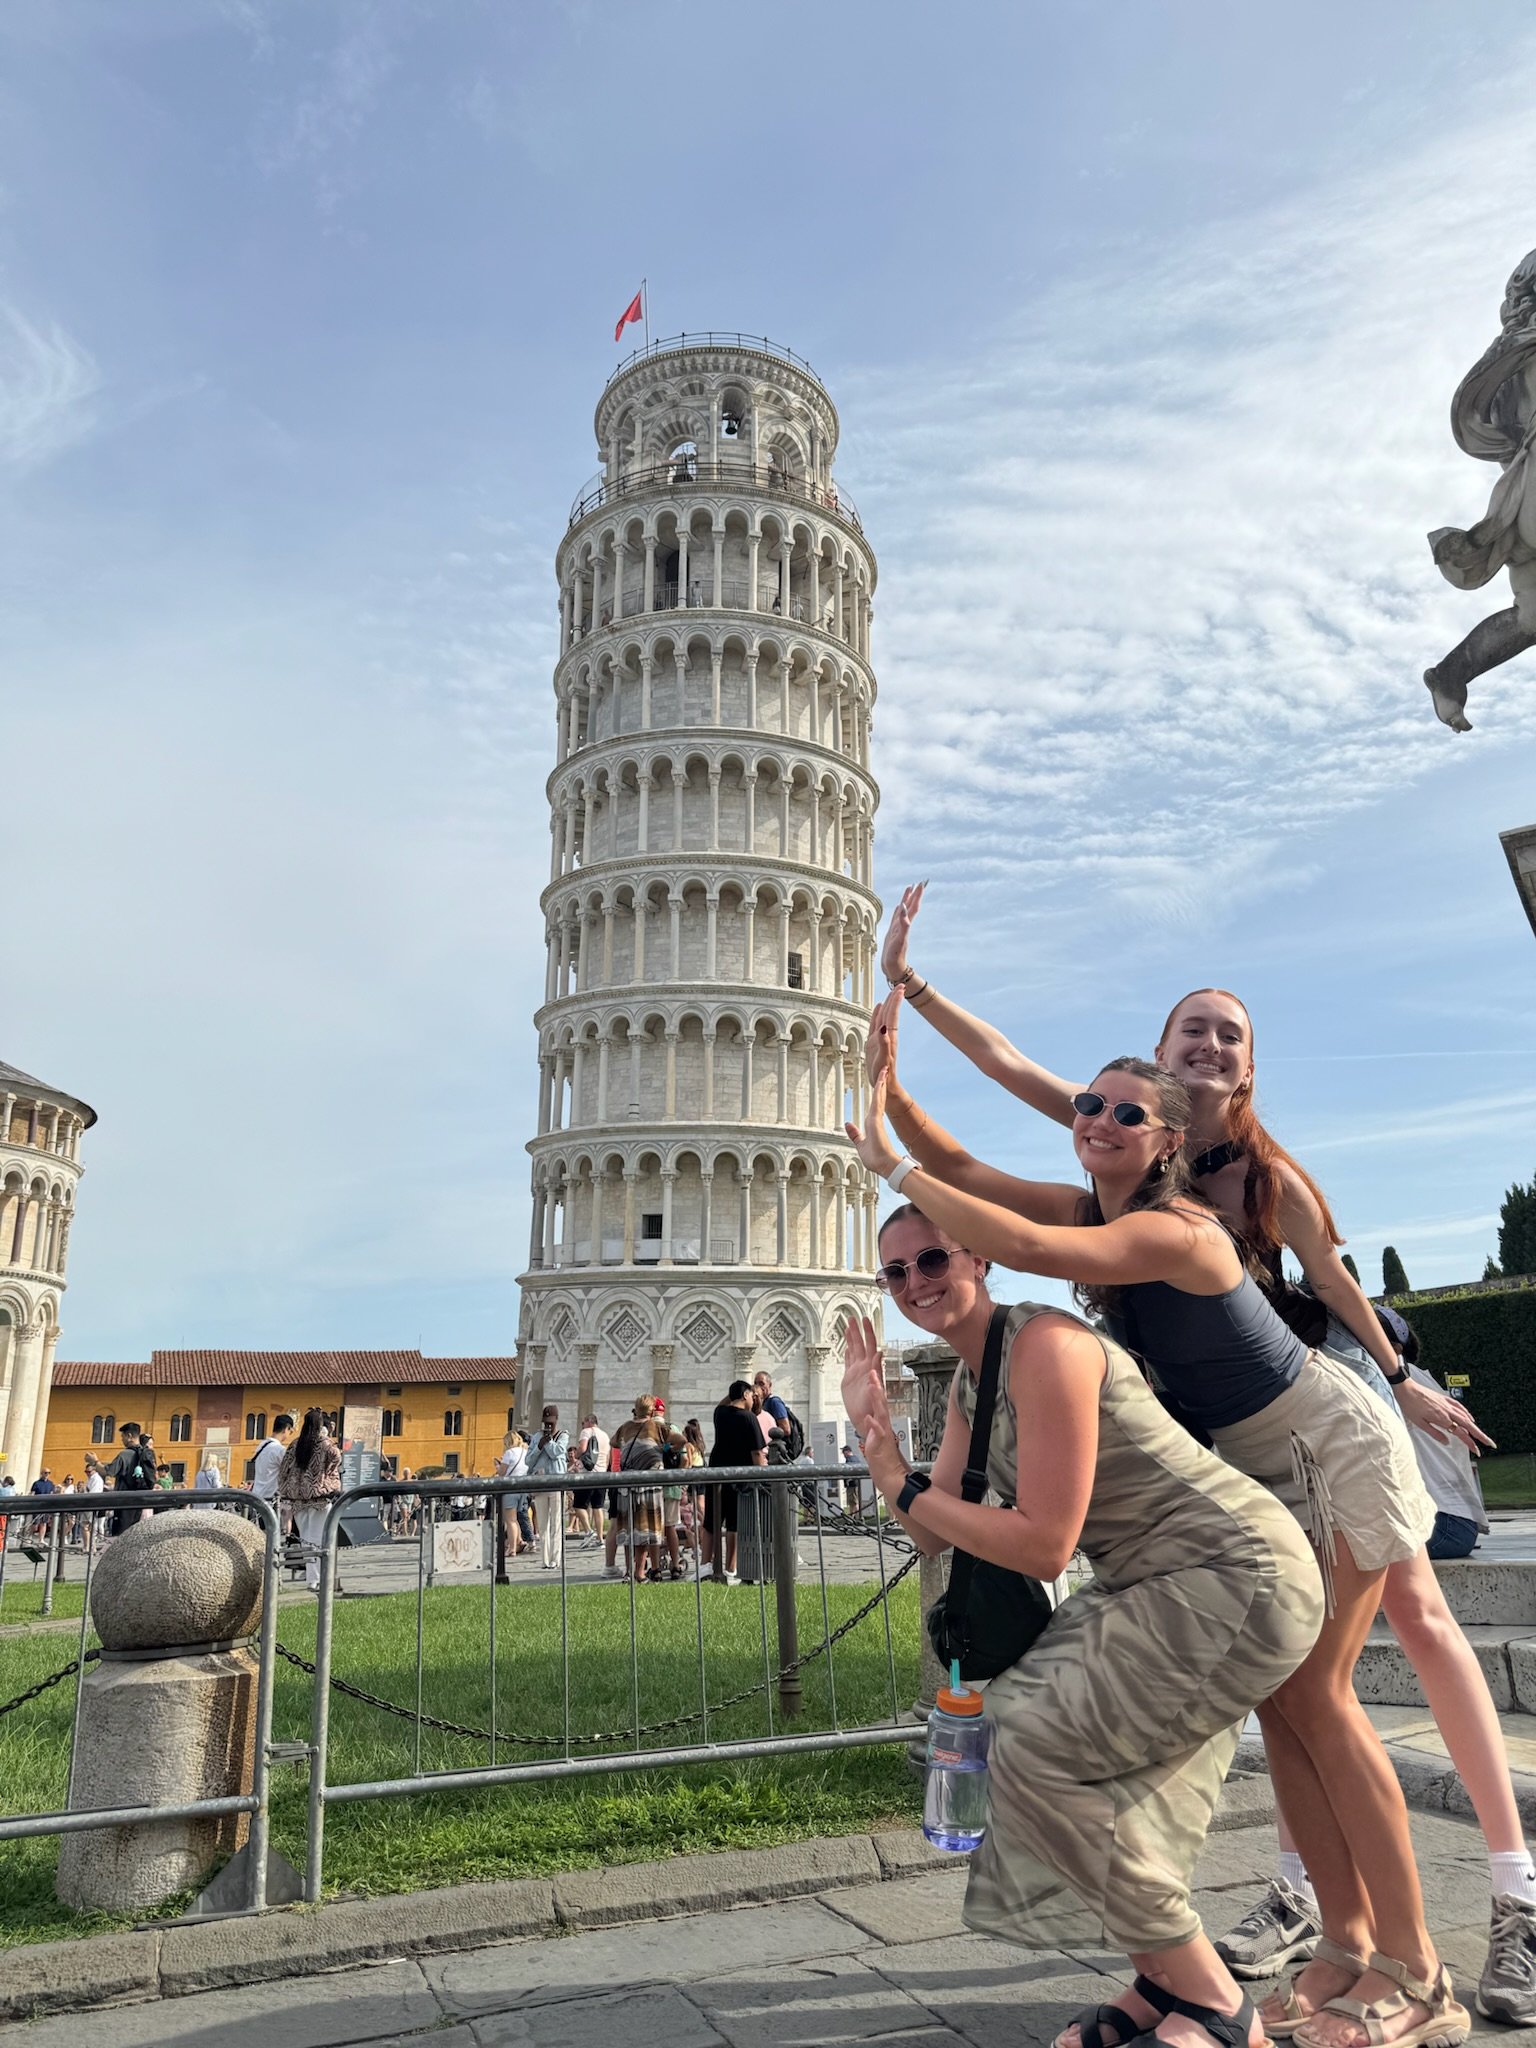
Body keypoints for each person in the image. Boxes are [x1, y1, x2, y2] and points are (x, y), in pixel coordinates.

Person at [877, 895, 1530, 2025]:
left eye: (1124, 1106)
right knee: (1290, 1709)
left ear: (1168, 1125)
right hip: (1259, 1459)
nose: (1095, 1114)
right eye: (1089, 1102)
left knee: (1325, 1700)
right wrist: (892, 1080)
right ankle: (1346, 1938)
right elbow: (977, 1162)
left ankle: (1420, 1974)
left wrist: (878, 1156)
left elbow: (1021, 1239)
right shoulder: (1107, 1186)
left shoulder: (1185, 1222)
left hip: (1325, 1444)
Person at [845, 1201, 1323, 2048]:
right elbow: (930, 1529)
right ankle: (1161, 1984)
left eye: (934, 1260)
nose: (917, 1282)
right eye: (898, 1271)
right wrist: (880, 1447)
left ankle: (1217, 2006)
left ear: (980, 1259)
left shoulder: (1047, 1346)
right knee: (1117, 1778)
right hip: (1152, 1583)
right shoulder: (970, 1378)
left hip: (1234, 1573)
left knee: (1029, 1735)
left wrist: (913, 1489)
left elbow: (1042, 1543)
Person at [704, 1380, 765, 1582]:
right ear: (746, 1395)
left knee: (711, 1521)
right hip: (739, 1476)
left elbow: (723, 1403)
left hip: (716, 1472)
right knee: (734, 1524)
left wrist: (735, 1392)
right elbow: (757, 1452)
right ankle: (731, 1568)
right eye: (751, 1396)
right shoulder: (749, 1418)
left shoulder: (719, 1414)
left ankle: (706, 1565)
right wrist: (763, 1475)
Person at [276, 1408, 342, 1592]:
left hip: (298, 1498)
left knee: (306, 1540)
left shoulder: (296, 1444)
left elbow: (284, 1470)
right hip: (320, 1498)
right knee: (320, 1539)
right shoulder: (326, 1444)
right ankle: (319, 1578)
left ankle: (312, 1580)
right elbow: (336, 1459)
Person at [612, 1395, 675, 1582]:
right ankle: (639, 1572)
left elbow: (613, 1442)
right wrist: (662, 1450)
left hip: (627, 1483)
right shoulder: (657, 1427)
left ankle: (629, 1570)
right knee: (644, 1530)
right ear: (652, 1411)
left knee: (629, 1529)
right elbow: (680, 1441)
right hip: (649, 1484)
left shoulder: (625, 1427)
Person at [526, 1405, 569, 1570]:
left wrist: (548, 1443)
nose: (548, 1426)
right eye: (546, 1423)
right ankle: (544, 1560)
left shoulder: (562, 1435)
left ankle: (555, 1559)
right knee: (542, 1525)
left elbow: (557, 1452)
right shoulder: (536, 1436)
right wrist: (538, 1447)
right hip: (540, 1483)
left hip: (557, 1483)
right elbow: (528, 1461)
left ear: (556, 1421)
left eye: (550, 1423)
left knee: (556, 1524)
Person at [104, 1423, 157, 1536]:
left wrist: (95, 1462)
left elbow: (108, 1472)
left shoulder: (125, 1454)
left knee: (120, 1537)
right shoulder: (144, 1453)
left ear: (129, 1436)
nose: (122, 1440)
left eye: (122, 1437)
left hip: (124, 1503)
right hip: (139, 1502)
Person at [249, 1413, 295, 1535]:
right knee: (272, 1538)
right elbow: (291, 1470)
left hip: (257, 1497)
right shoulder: (279, 1450)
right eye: (291, 1432)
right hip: (271, 1501)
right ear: (286, 1428)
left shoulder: (261, 1446)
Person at [494, 1430, 530, 1578]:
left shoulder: (509, 1453)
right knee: (516, 1518)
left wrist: (497, 1467)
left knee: (510, 1520)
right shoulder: (525, 1451)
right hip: (522, 1488)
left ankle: (512, 1548)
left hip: (509, 1488)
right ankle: (519, 1541)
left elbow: (502, 1472)